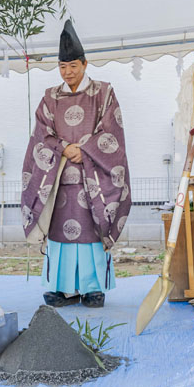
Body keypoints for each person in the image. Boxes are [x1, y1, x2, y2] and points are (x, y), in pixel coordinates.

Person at [20, 20, 131, 309]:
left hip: (93, 182)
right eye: (62, 66)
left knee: (91, 233)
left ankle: (93, 289)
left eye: (73, 66)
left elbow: (112, 132)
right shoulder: (50, 97)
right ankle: (62, 288)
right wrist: (63, 147)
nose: (67, 72)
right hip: (58, 182)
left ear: (84, 63)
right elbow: (41, 134)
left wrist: (88, 150)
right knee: (60, 235)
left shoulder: (103, 93)